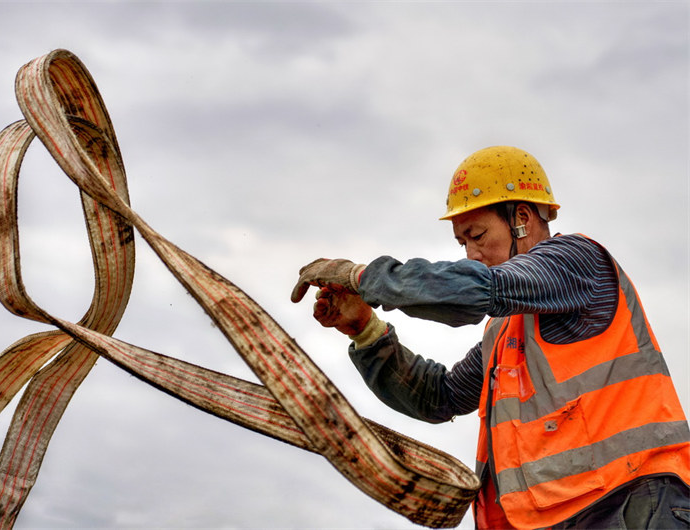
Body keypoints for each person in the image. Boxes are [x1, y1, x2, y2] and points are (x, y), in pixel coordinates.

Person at [290, 146, 690, 529]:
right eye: (462, 242)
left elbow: (477, 290)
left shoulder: (576, 261)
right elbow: (439, 396)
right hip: (559, 515)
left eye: (477, 235)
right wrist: (365, 330)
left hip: (633, 503)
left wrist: (360, 277)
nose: (471, 253)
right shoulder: (506, 331)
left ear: (522, 217)